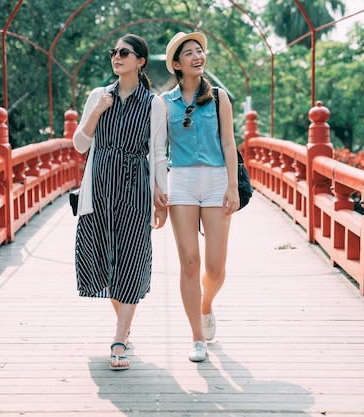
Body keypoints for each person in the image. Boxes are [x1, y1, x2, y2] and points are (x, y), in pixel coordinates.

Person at [72, 34, 168, 371]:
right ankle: (125, 330)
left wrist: (161, 195)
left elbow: (158, 153)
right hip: (98, 188)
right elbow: (80, 145)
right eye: (114, 52)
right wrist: (96, 113)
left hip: (135, 187)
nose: (117, 57)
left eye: (124, 53)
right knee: (103, 260)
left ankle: (118, 339)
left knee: (130, 257)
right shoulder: (99, 96)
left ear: (140, 61)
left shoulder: (154, 104)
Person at [159, 32, 240, 362]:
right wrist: (158, 190)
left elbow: (230, 143)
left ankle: (206, 305)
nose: (197, 56)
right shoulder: (164, 103)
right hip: (181, 183)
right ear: (177, 65)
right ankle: (196, 338)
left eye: (200, 51)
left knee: (216, 268)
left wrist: (233, 186)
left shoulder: (219, 98)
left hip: (217, 179)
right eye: (189, 53)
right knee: (190, 263)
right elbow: (157, 150)